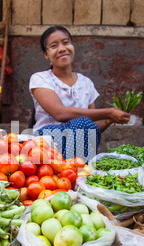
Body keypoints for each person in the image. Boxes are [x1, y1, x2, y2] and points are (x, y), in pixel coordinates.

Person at [29, 25, 130, 162]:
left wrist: (110, 119)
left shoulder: (86, 83)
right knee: (82, 122)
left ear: (72, 46)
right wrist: (108, 112)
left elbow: (90, 128)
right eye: (54, 46)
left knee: (85, 126)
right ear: (46, 54)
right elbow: (60, 113)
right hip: (45, 144)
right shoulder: (40, 78)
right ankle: (72, 172)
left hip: (75, 150)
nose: (62, 48)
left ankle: (76, 174)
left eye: (66, 42)